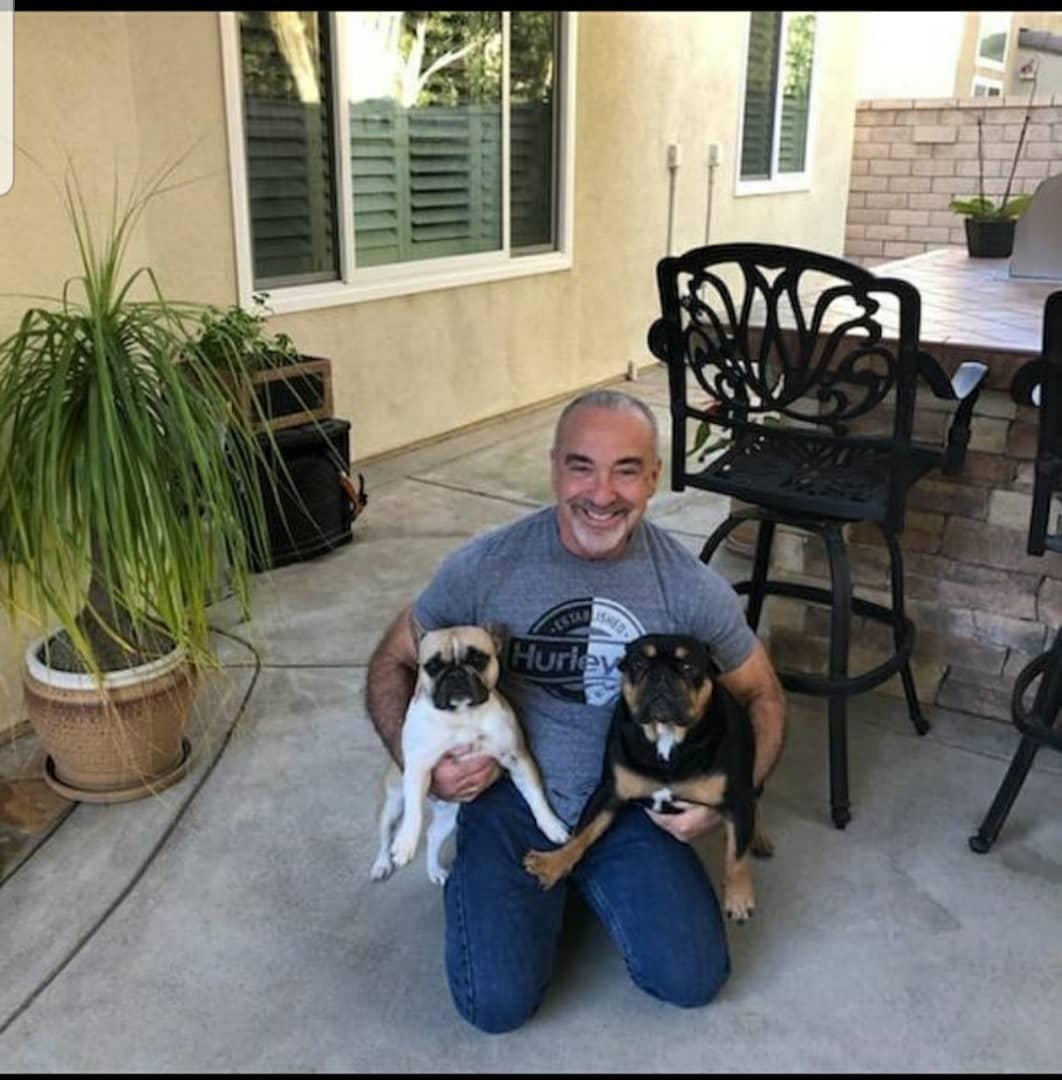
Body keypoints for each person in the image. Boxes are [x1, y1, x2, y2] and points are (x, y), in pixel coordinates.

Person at [366, 387, 786, 1034]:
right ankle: (509, 885)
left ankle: (585, 880)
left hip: (633, 795)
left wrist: (732, 798)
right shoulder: (484, 566)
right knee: (494, 1005)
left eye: (626, 470)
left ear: (654, 477)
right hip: (510, 793)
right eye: (582, 467)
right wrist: (421, 763)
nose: (602, 493)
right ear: (554, 468)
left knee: (691, 979)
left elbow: (764, 695)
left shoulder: (689, 588)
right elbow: (392, 660)